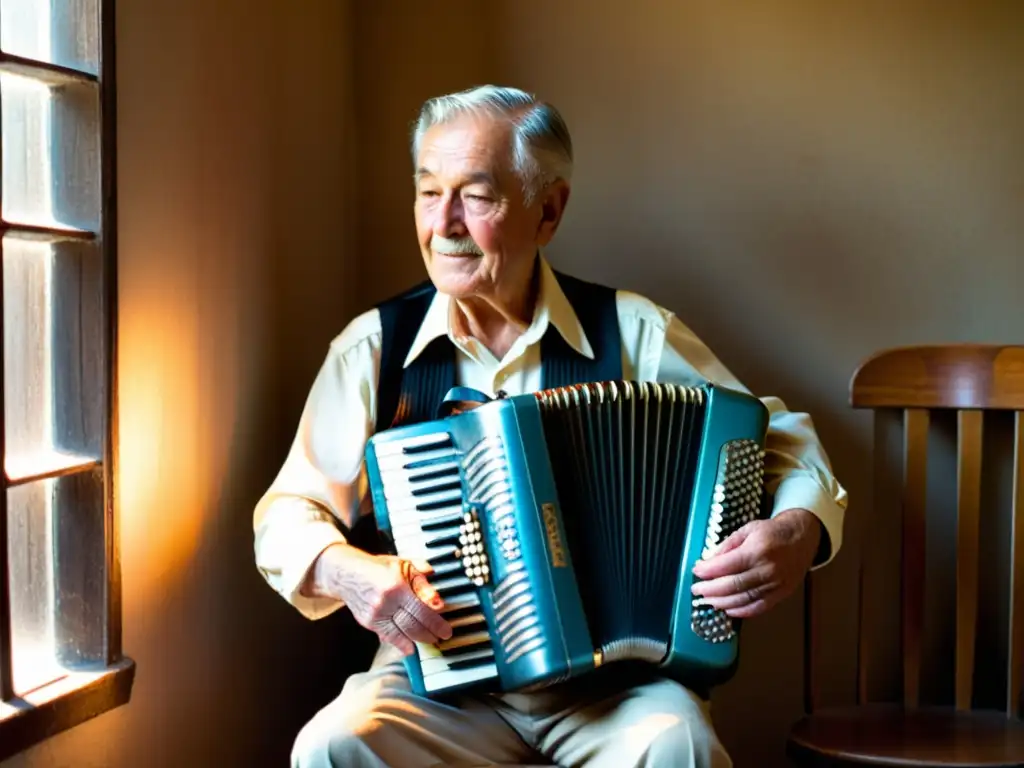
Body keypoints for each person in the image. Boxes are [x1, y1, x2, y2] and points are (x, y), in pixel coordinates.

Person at [253, 84, 848, 768]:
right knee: (331, 746)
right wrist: (347, 572)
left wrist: (797, 533)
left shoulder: (632, 331)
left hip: (615, 690)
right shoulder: (372, 348)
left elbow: (780, 440)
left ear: (549, 210)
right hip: (438, 685)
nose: (443, 223)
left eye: (476, 196)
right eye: (427, 192)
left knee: (679, 742)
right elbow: (286, 512)